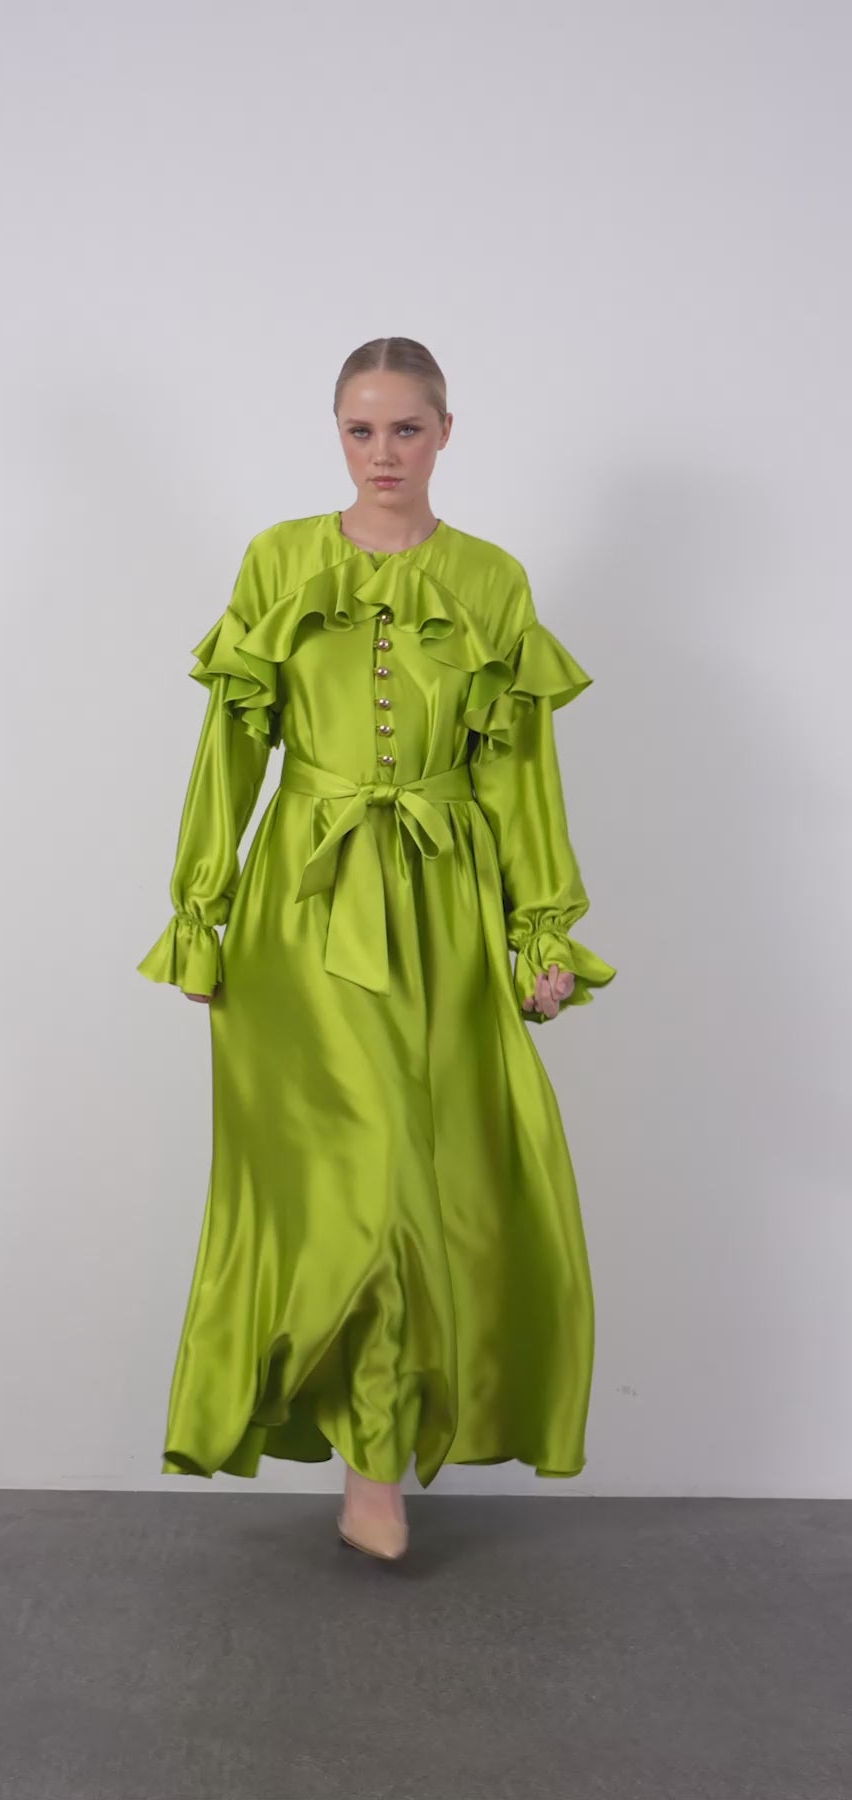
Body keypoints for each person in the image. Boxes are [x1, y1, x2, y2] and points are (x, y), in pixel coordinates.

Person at [137, 336, 615, 1563]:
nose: (384, 453)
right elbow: (229, 752)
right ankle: (371, 1477)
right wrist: (200, 915)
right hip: (302, 920)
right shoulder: (279, 560)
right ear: (336, 435)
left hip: (446, 912)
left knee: (425, 1187)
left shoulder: (493, 580)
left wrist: (540, 928)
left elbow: (520, 773)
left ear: (446, 431)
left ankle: (379, 1458)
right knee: (344, 1192)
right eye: (362, 430)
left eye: (407, 428)